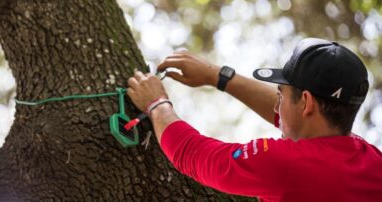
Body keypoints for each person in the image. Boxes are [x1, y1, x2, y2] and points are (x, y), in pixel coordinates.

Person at [127, 38, 382, 202]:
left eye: (280, 95)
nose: (276, 105)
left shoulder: (288, 164)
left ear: (306, 102)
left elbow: (196, 156)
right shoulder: (371, 160)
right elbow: (290, 119)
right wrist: (217, 76)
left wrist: (156, 103)